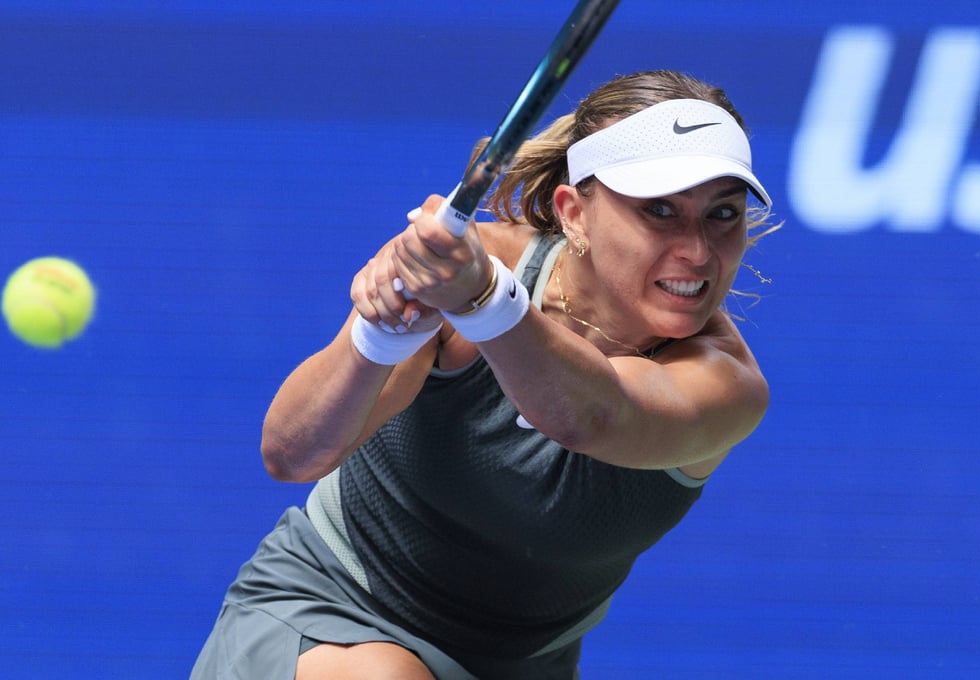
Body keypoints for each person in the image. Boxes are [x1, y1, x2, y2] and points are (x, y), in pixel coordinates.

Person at [191, 69, 775, 680]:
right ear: (574, 214)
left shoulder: (726, 385)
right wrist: (381, 335)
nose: (697, 252)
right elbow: (292, 453)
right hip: (337, 608)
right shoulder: (480, 267)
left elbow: (591, 415)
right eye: (659, 211)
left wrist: (484, 301)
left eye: (723, 214)